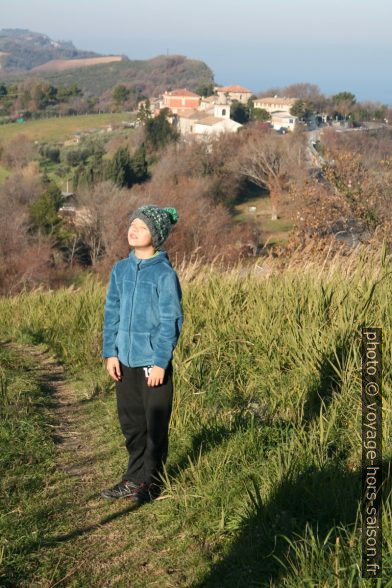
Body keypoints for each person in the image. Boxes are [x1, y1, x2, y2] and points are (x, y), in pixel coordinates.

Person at [100, 204, 184, 503]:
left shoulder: (164, 274)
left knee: (154, 426)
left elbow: (170, 320)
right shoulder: (120, 269)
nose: (133, 229)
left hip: (152, 363)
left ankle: (152, 482)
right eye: (132, 223)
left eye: (142, 226)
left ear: (156, 235)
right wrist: (110, 352)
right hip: (124, 361)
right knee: (132, 424)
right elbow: (112, 312)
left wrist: (161, 362)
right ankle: (132, 478)